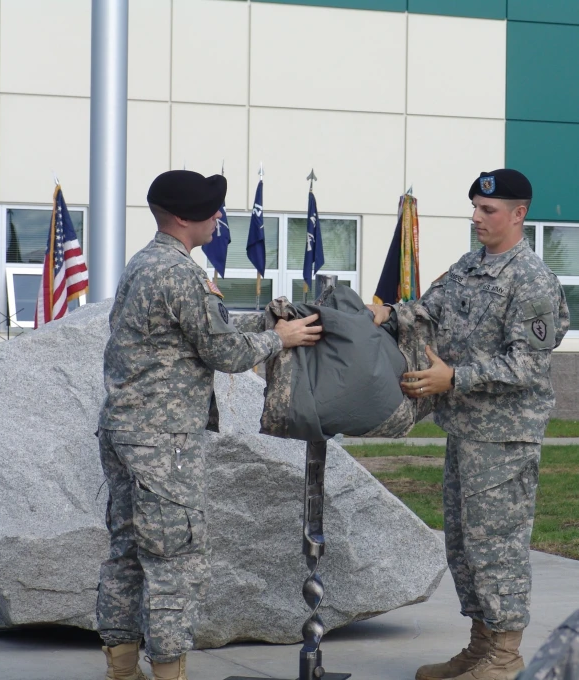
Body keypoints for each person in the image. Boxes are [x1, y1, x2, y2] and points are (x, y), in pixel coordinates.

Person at [96, 169, 322, 680]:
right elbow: (222, 351)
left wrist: (264, 321)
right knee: (174, 559)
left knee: (127, 554)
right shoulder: (181, 273)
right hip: (164, 440)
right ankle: (170, 671)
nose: (218, 216)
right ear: (182, 217)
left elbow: (197, 330)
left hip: (125, 432)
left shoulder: (146, 263)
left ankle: (121, 667)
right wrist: (280, 339)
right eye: (210, 209)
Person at [368, 169, 569, 680]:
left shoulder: (532, 281)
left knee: (495, 544)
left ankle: (504, 655)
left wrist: (453, 376)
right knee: (463, 544)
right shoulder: (470, 266)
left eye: (488, 210)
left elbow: (527, 364)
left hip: (505, 437)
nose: (477, 218)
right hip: (466, 431)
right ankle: (481, 646)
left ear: (518, 214)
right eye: (475, 208)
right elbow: (426, 312)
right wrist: (384, 316)